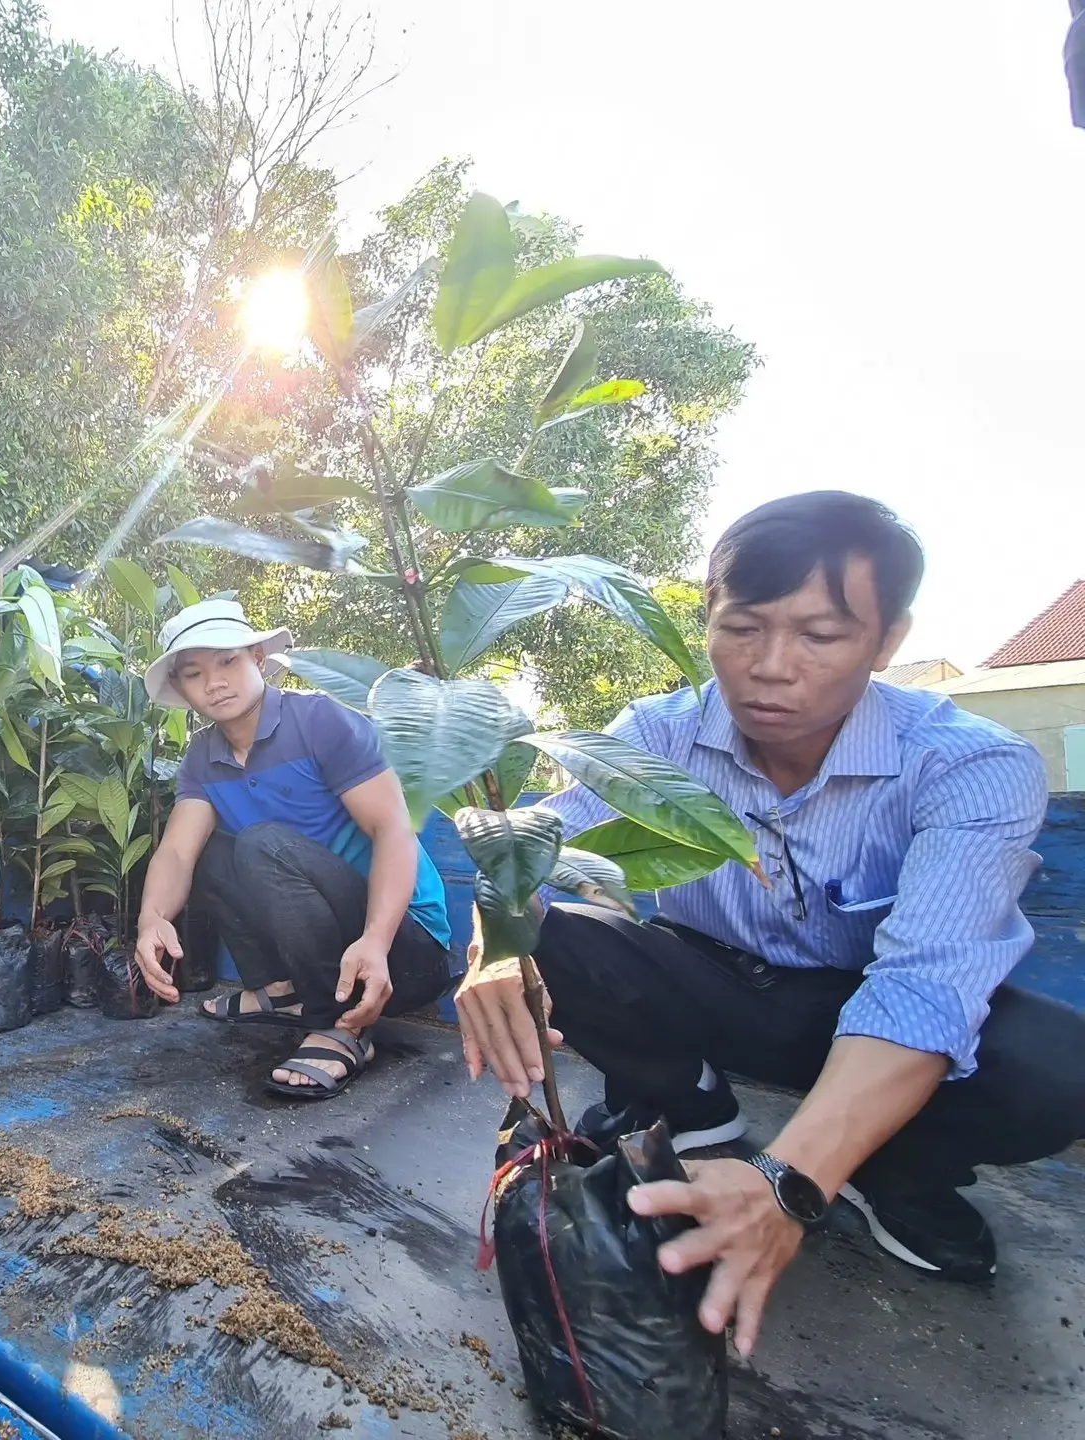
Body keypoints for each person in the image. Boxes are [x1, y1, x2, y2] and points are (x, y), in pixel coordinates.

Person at [452, 491, 1085, 1357]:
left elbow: (927, 986)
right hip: (709, 984)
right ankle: (691, 1108)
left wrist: (789, 1182)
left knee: (1058, 1068)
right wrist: (493, 948)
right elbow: (530, 855)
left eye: (820, 636)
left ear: (888, 639)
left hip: (863, 1017)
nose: (771, 667)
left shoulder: (969, 764)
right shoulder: (654, 738)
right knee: (549, 936)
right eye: (742, 627)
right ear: (707, 615)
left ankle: (884, 1166)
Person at [132, 598, 454, 1099]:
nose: (214, 682)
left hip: (400, 950)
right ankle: (282, 992)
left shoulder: (320, 720)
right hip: (326, 946)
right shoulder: (202, 756)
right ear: (181, 686)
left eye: (228, 661)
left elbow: (393, 829)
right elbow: (177, 852)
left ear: (259, 659)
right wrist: (151, 918)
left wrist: (375, 941)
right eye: (194, 673)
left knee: (263, 843)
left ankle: (339, 1026)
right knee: (213, 851)